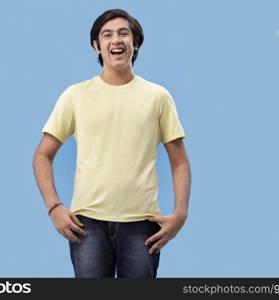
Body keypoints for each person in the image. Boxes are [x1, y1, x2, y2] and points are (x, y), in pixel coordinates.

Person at [32, 8, 191, 278]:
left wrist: (180, 214)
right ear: (96, 46)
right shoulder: (76, 95)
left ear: (135, 43)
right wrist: (54, 207)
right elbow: (42, 156)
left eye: (123, 33)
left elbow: (179, 162)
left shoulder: (157, 96)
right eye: (107, 35)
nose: (115, 40)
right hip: (87, 225)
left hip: (142, 224)